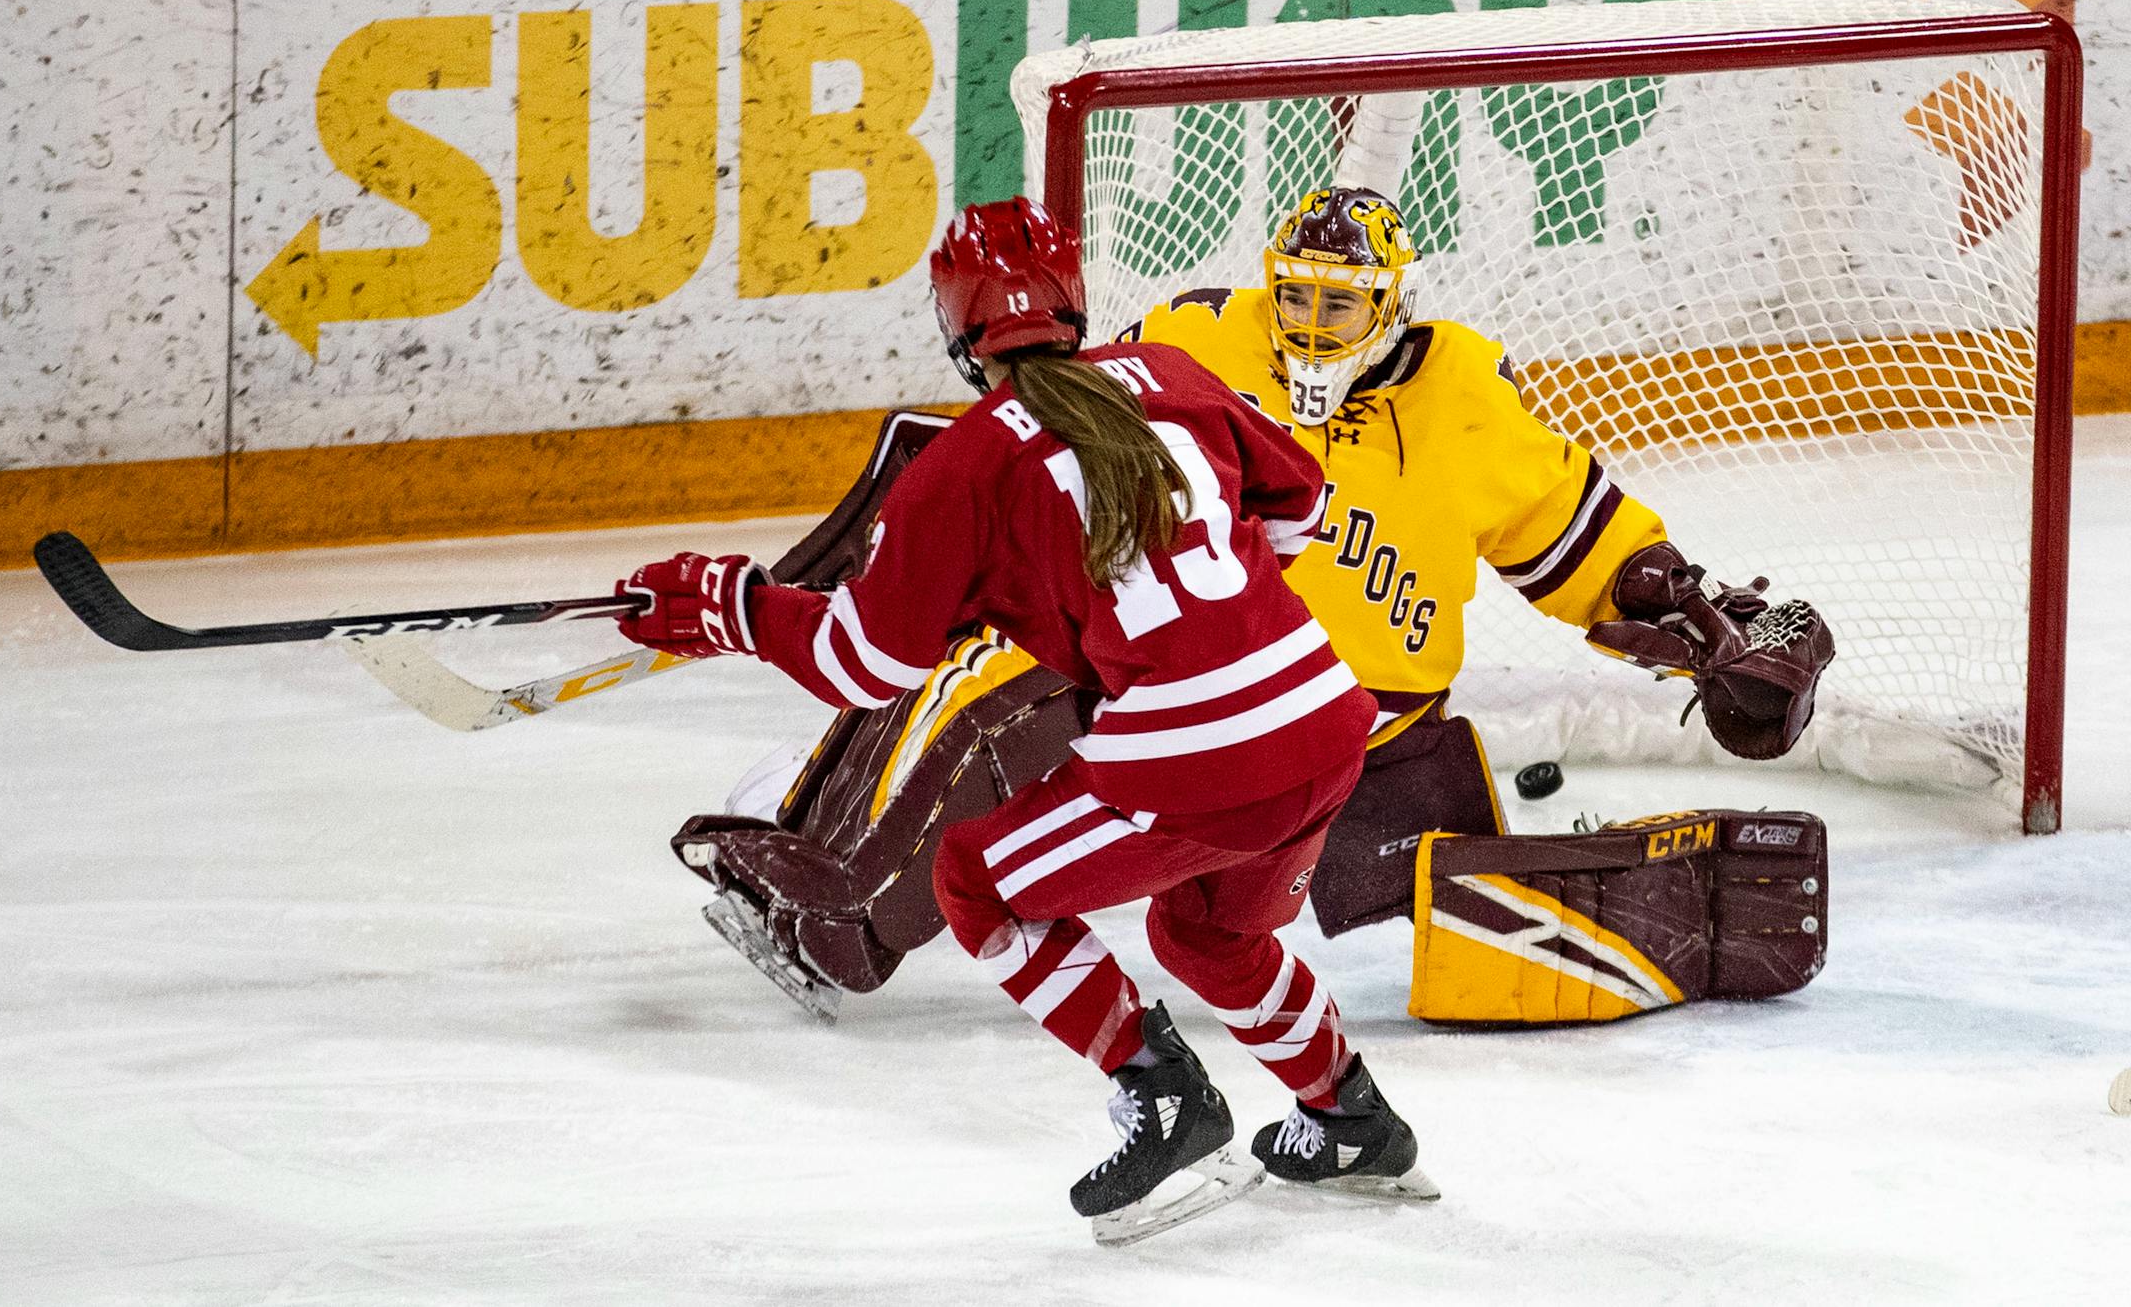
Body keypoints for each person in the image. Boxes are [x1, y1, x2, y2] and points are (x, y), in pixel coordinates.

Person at [672, 186, 1836, 1029]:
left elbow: (1592, 551)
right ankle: (822, 833)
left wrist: (1707, 628)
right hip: (1180, 659)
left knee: (991, 685)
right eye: (1300, 299)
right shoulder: (1199, 335)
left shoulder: (1464, 402)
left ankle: (841, 913)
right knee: (987, 661)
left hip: (1351, 706)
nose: (1313, 327)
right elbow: (1053, 434)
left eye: (1344, 307)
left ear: (1395, 305)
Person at [616, 198, 1440, 1246]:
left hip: (1194, 761)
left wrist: (733, 604)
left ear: (958, 329)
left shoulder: (962, 465)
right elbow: (1300, 507)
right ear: (1073, 301)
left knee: (976, 880)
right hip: (1324, 718)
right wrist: (1156, 619)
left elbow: (862, 661)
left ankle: (1164, 1095)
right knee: (1206, 931)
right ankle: (1352, 1118)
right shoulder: (1177, 377)